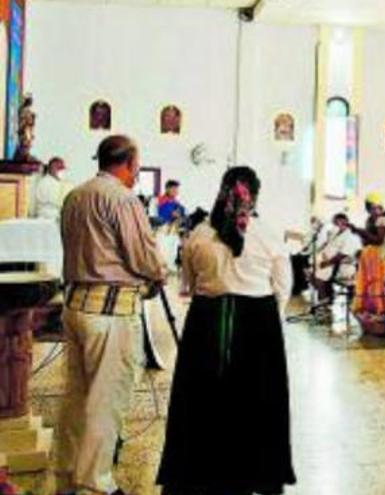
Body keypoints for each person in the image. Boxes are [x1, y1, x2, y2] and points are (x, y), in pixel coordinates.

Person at [157, 166, 295, 494]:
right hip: (258, 322)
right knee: (258, 398)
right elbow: (283, 287)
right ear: (255, 195)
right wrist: (269, 315)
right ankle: (256, 472)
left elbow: (188, 283)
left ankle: (196, 472)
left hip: (207, 319)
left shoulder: (199, 235)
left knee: (201, 396)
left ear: (221, 192)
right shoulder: (269, 234)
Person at [56, 135, 165, 495]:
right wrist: (158, 272)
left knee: (76, 398)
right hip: (110, 312)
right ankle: (96, 482)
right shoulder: (121, 197)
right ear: (129, 163)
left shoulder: (75, 195)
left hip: (75, 307)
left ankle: (67, 476)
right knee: (106, 399)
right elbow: (141, 256)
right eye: (136, 165)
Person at [350, 192, 385, 334]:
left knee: (378, 284)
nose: (375, 211)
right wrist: (359, 233)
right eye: (371, 208)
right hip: (368, 257)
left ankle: (381, 313)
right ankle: (370, 315)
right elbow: (367, 240)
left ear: (381, 208)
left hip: (378, 257)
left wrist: (361, 231)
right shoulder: (370, 220)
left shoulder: (382, 220)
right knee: (367, 285)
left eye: (377, 208)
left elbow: (379, 240)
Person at [312, 213, 361, 323]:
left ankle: (325, 305)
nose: (335, 224)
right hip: (332, 263)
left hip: (344, 266)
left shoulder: (350, 236)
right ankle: (326, 300)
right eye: (334, 222)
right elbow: (328, 245)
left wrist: (327, 263)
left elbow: (343, 255)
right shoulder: (336, 232)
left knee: (320, 277)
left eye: (337, 222)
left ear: (344, 222)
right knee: (313, 272)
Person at [286, 216, 330, 299]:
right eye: (313, 222)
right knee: (293, 259)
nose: (314, 224)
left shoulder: (324, 234)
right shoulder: (311, 233)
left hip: (314, 255)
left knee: (297, 261)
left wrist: (310, 251)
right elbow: (305, 241)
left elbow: (321, 246)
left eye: (316, 222)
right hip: (306, 253)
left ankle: (299, 286)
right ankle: (297, 287)